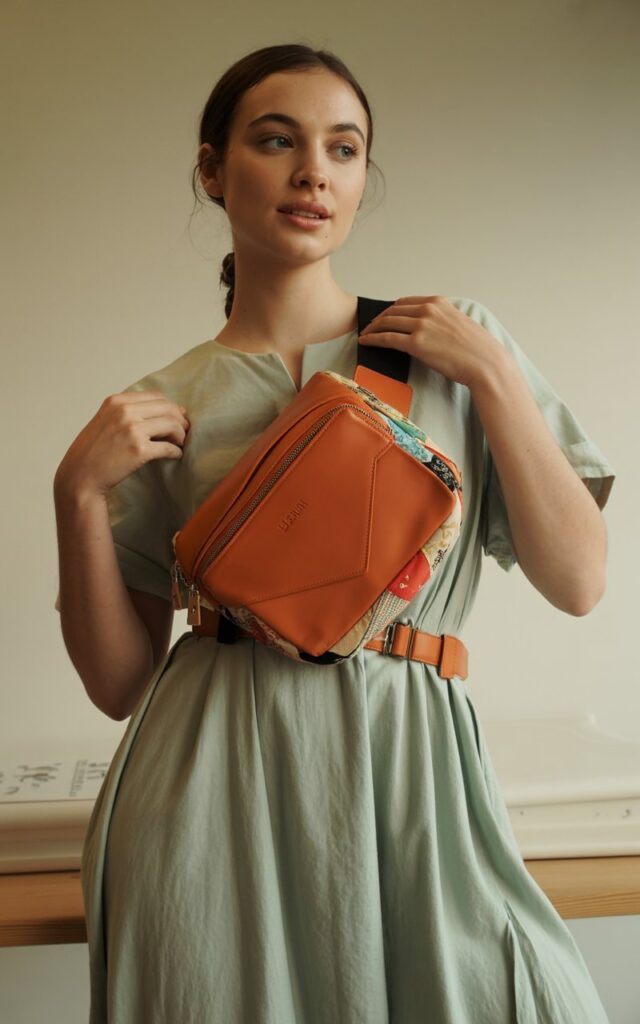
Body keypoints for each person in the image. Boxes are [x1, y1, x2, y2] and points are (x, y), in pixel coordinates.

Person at [54, 42, 615, 1024]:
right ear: (212, 170)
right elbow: (120, 684)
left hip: (411, 768)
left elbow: (576, 578)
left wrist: (493, 382)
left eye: (343, 148)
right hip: (212, 785)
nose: (314, 169)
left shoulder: (449, 342)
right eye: (277, 141)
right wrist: (76, 500)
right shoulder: (161, 403)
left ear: (361, 179)